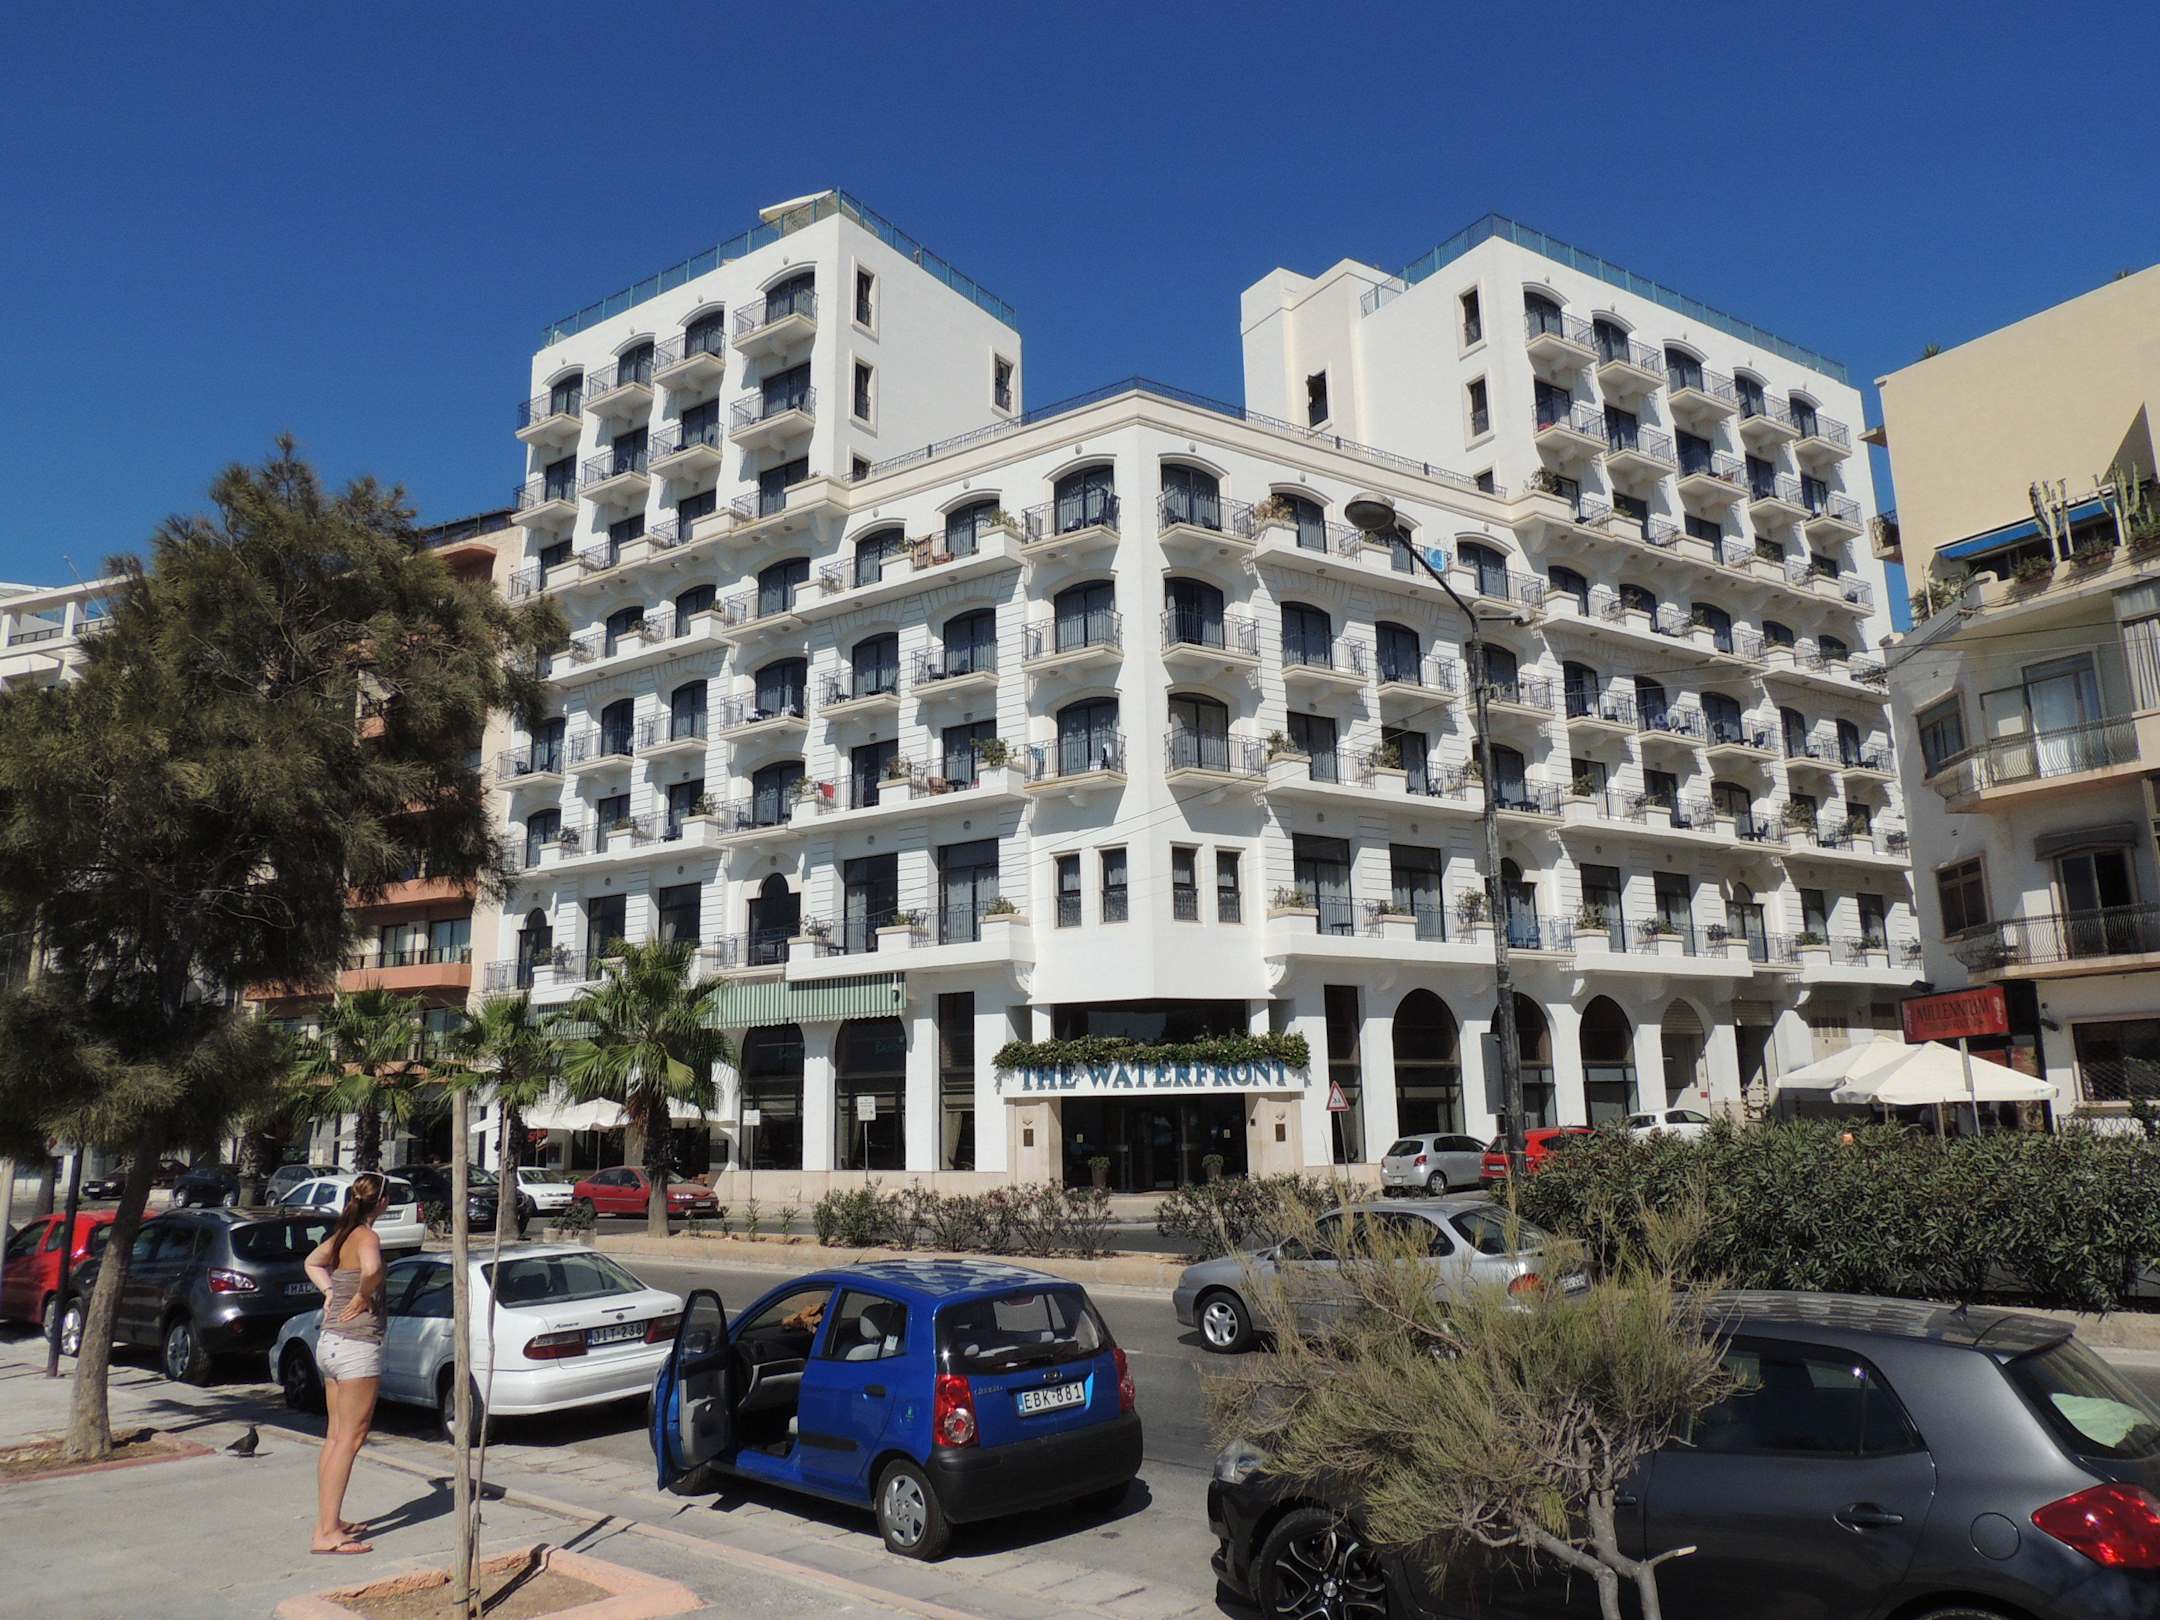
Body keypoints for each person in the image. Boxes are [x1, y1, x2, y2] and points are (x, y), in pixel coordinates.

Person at [304, 1173, 388, 1555]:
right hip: (356, 1345)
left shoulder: (343, 1234)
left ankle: (329, 1522)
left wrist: (329, 1292)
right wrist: (363, 1295)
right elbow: (371, 1270)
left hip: (331, 1342)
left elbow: (311, 1262)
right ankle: (326, 1534)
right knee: (350, 1439)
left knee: (336, 1437)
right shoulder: (367, 1236)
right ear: (382, 1203)